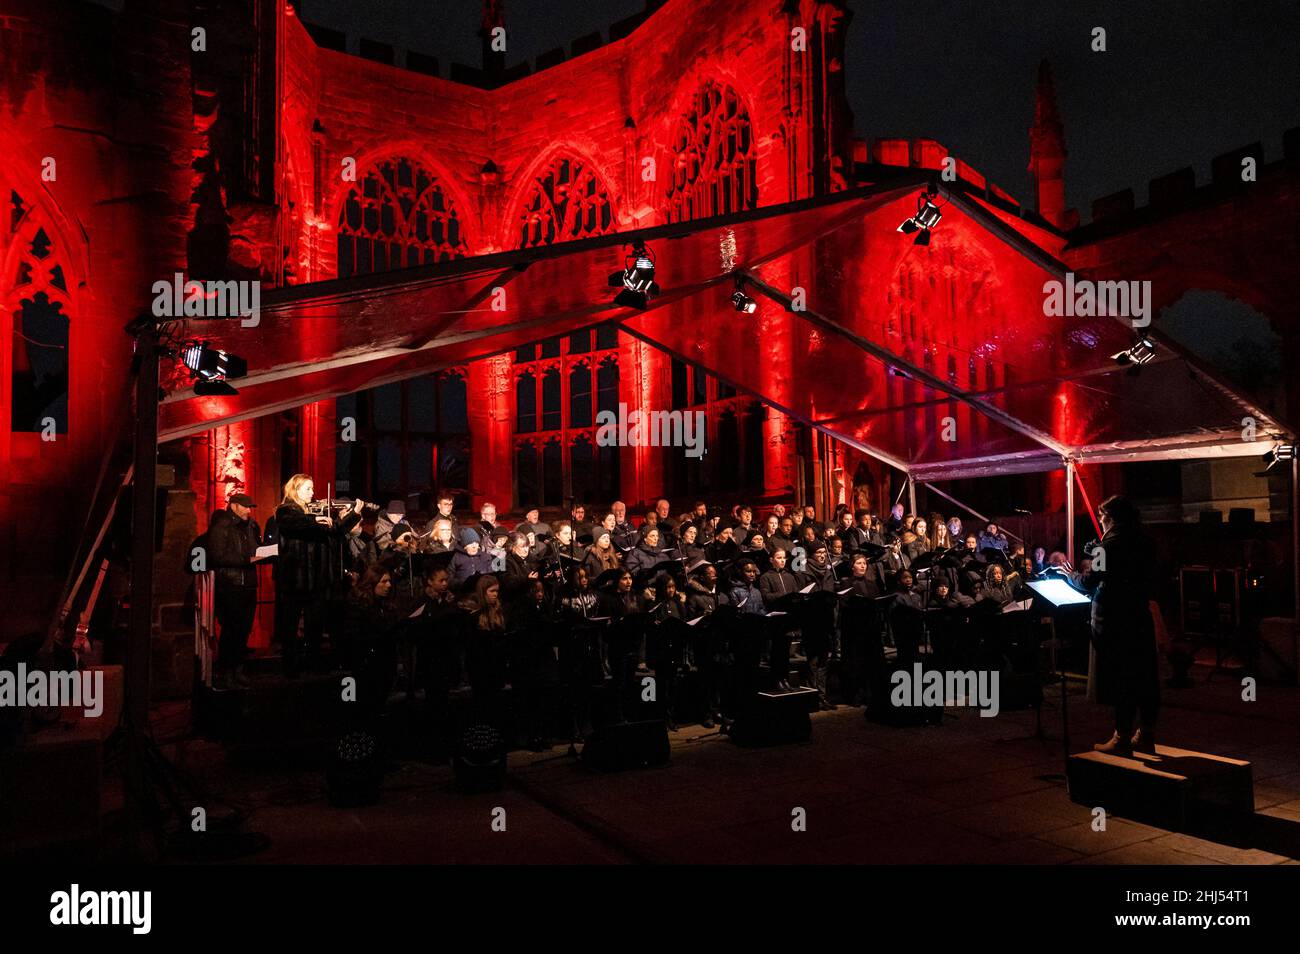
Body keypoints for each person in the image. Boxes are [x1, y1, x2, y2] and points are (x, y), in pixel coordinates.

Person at [1085, 495, 1160, 756]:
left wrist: (1068, 574)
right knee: (1144, 676)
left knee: (1121, 679)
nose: (1100, 520)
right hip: (1138, 616)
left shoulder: (1108, 546)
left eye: (1102, 515)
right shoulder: (1144, 540)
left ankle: (1121, 736)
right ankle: (1146, 734)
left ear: (1111, 517)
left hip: (1114, 621)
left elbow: (1089, 581)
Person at [273, 474, 363, 677]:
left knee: (315, 626)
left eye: (312, 488)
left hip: (317, 580)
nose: (313, 493)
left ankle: (313, 664)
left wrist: (353, 515)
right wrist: (317, 519)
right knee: (290, 626)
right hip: (295, 579)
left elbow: (336, 532)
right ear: (295, 490)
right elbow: (300, 525)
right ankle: (290, 667)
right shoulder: (286, 511)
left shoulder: (316, 512)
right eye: (307, 489)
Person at [207, 493, 261, 689]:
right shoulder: (223, 526)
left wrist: (265, 554)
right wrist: (247, 560)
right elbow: (217, 555)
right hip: (231, 584)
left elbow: (254, 549)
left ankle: (237, 670)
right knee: (231, 630)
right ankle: (226, 672)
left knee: (243, 630)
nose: (249, 510)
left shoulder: (250, 526)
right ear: (234, 506)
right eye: (245, 507)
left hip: (248, 584)